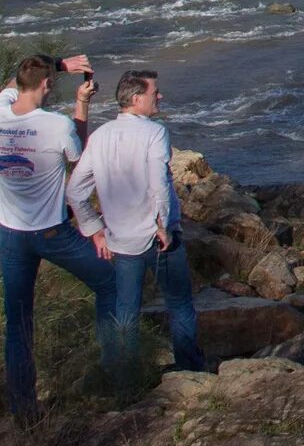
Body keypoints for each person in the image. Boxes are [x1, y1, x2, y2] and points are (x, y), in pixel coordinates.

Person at [0, 51, 106, 421]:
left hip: (10, 232)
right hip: (51, 233)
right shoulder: (55, 126)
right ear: (47, 86)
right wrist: (81, 104)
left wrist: (57, 64)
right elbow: (78, 157)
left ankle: (24, 411)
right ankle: (108, 371)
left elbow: (11, 85)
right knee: (110, 282)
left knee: (18, 323)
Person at [66, 69, 207, 387]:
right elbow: (158, 182)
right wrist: (163, 226)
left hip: (120, 240)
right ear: (136, 98)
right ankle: (191, 374)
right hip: (159, 239)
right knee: (180, 305)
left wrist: (94, 229)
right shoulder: (155, 132)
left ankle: (127, 380)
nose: (160, 96)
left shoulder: (100, 136)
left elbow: (75, 191)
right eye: (155, 92)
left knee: (126, 313)